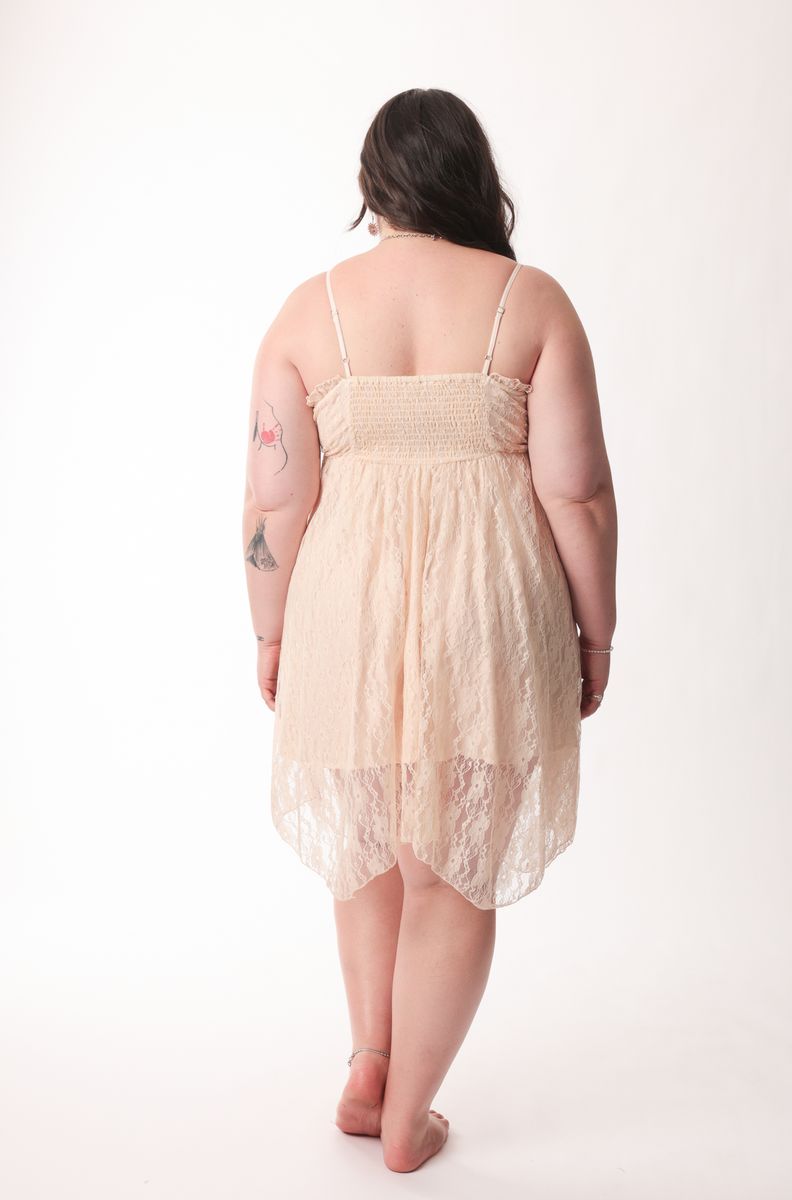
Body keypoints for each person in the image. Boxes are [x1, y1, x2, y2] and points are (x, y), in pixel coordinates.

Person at [242, 88, 617, 1173]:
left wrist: (270, 634)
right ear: (472, 177)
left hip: (343, 606)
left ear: (373, 187)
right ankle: (407, 1116)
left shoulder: (307, 312)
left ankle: (372, 1064)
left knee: (367, 847)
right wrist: (596, 633)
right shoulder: (530, 302)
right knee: (449, 870)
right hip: (484, 608)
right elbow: (577, 493)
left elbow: (273, 501)